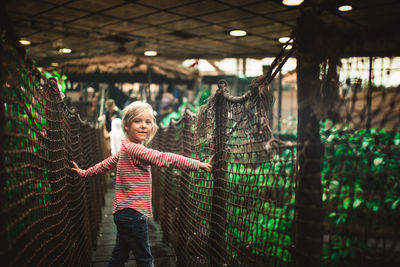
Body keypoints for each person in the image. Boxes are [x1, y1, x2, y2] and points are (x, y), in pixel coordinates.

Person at [71, 101, 212, 267]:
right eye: (137, 121)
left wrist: (84, 172)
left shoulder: (126, 148)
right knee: (145, 260)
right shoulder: (136, 150)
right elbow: (166, 158)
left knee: (119, 257)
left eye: (148, 122)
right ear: (126, 125)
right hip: (133, 214)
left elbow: (106, 164)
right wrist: (199, 164)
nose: (144, 126)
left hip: (123, 213)